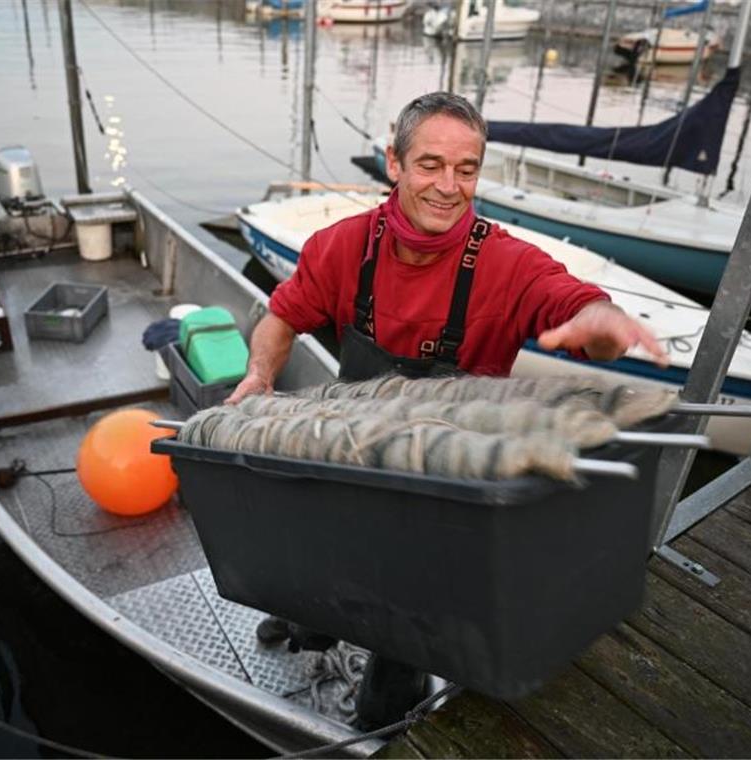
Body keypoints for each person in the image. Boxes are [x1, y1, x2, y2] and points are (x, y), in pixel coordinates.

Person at [225, 91, 668, 728]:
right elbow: (282, 316)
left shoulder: (510, 265)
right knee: (318, 547)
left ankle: (385, 714)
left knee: (406, 618)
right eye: (430, 164)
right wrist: (259, 375)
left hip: (448, 479)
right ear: (394, 164)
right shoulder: (340, 247)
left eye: (467, 169)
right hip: (350, 451)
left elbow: (572, 302)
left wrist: (601, 320)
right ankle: (303, 617)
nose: (449, 186)